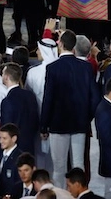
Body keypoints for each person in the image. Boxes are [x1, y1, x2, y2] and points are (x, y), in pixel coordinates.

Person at [40, 30, 99, 187]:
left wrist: (43, 125)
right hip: (80, 123)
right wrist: (87, 117)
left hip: (58, 125)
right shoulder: (85, 67)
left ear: (60, 44)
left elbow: (48, 99)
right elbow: (95, 98)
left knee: (59, 167)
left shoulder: (53, 68)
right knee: (78, 165)